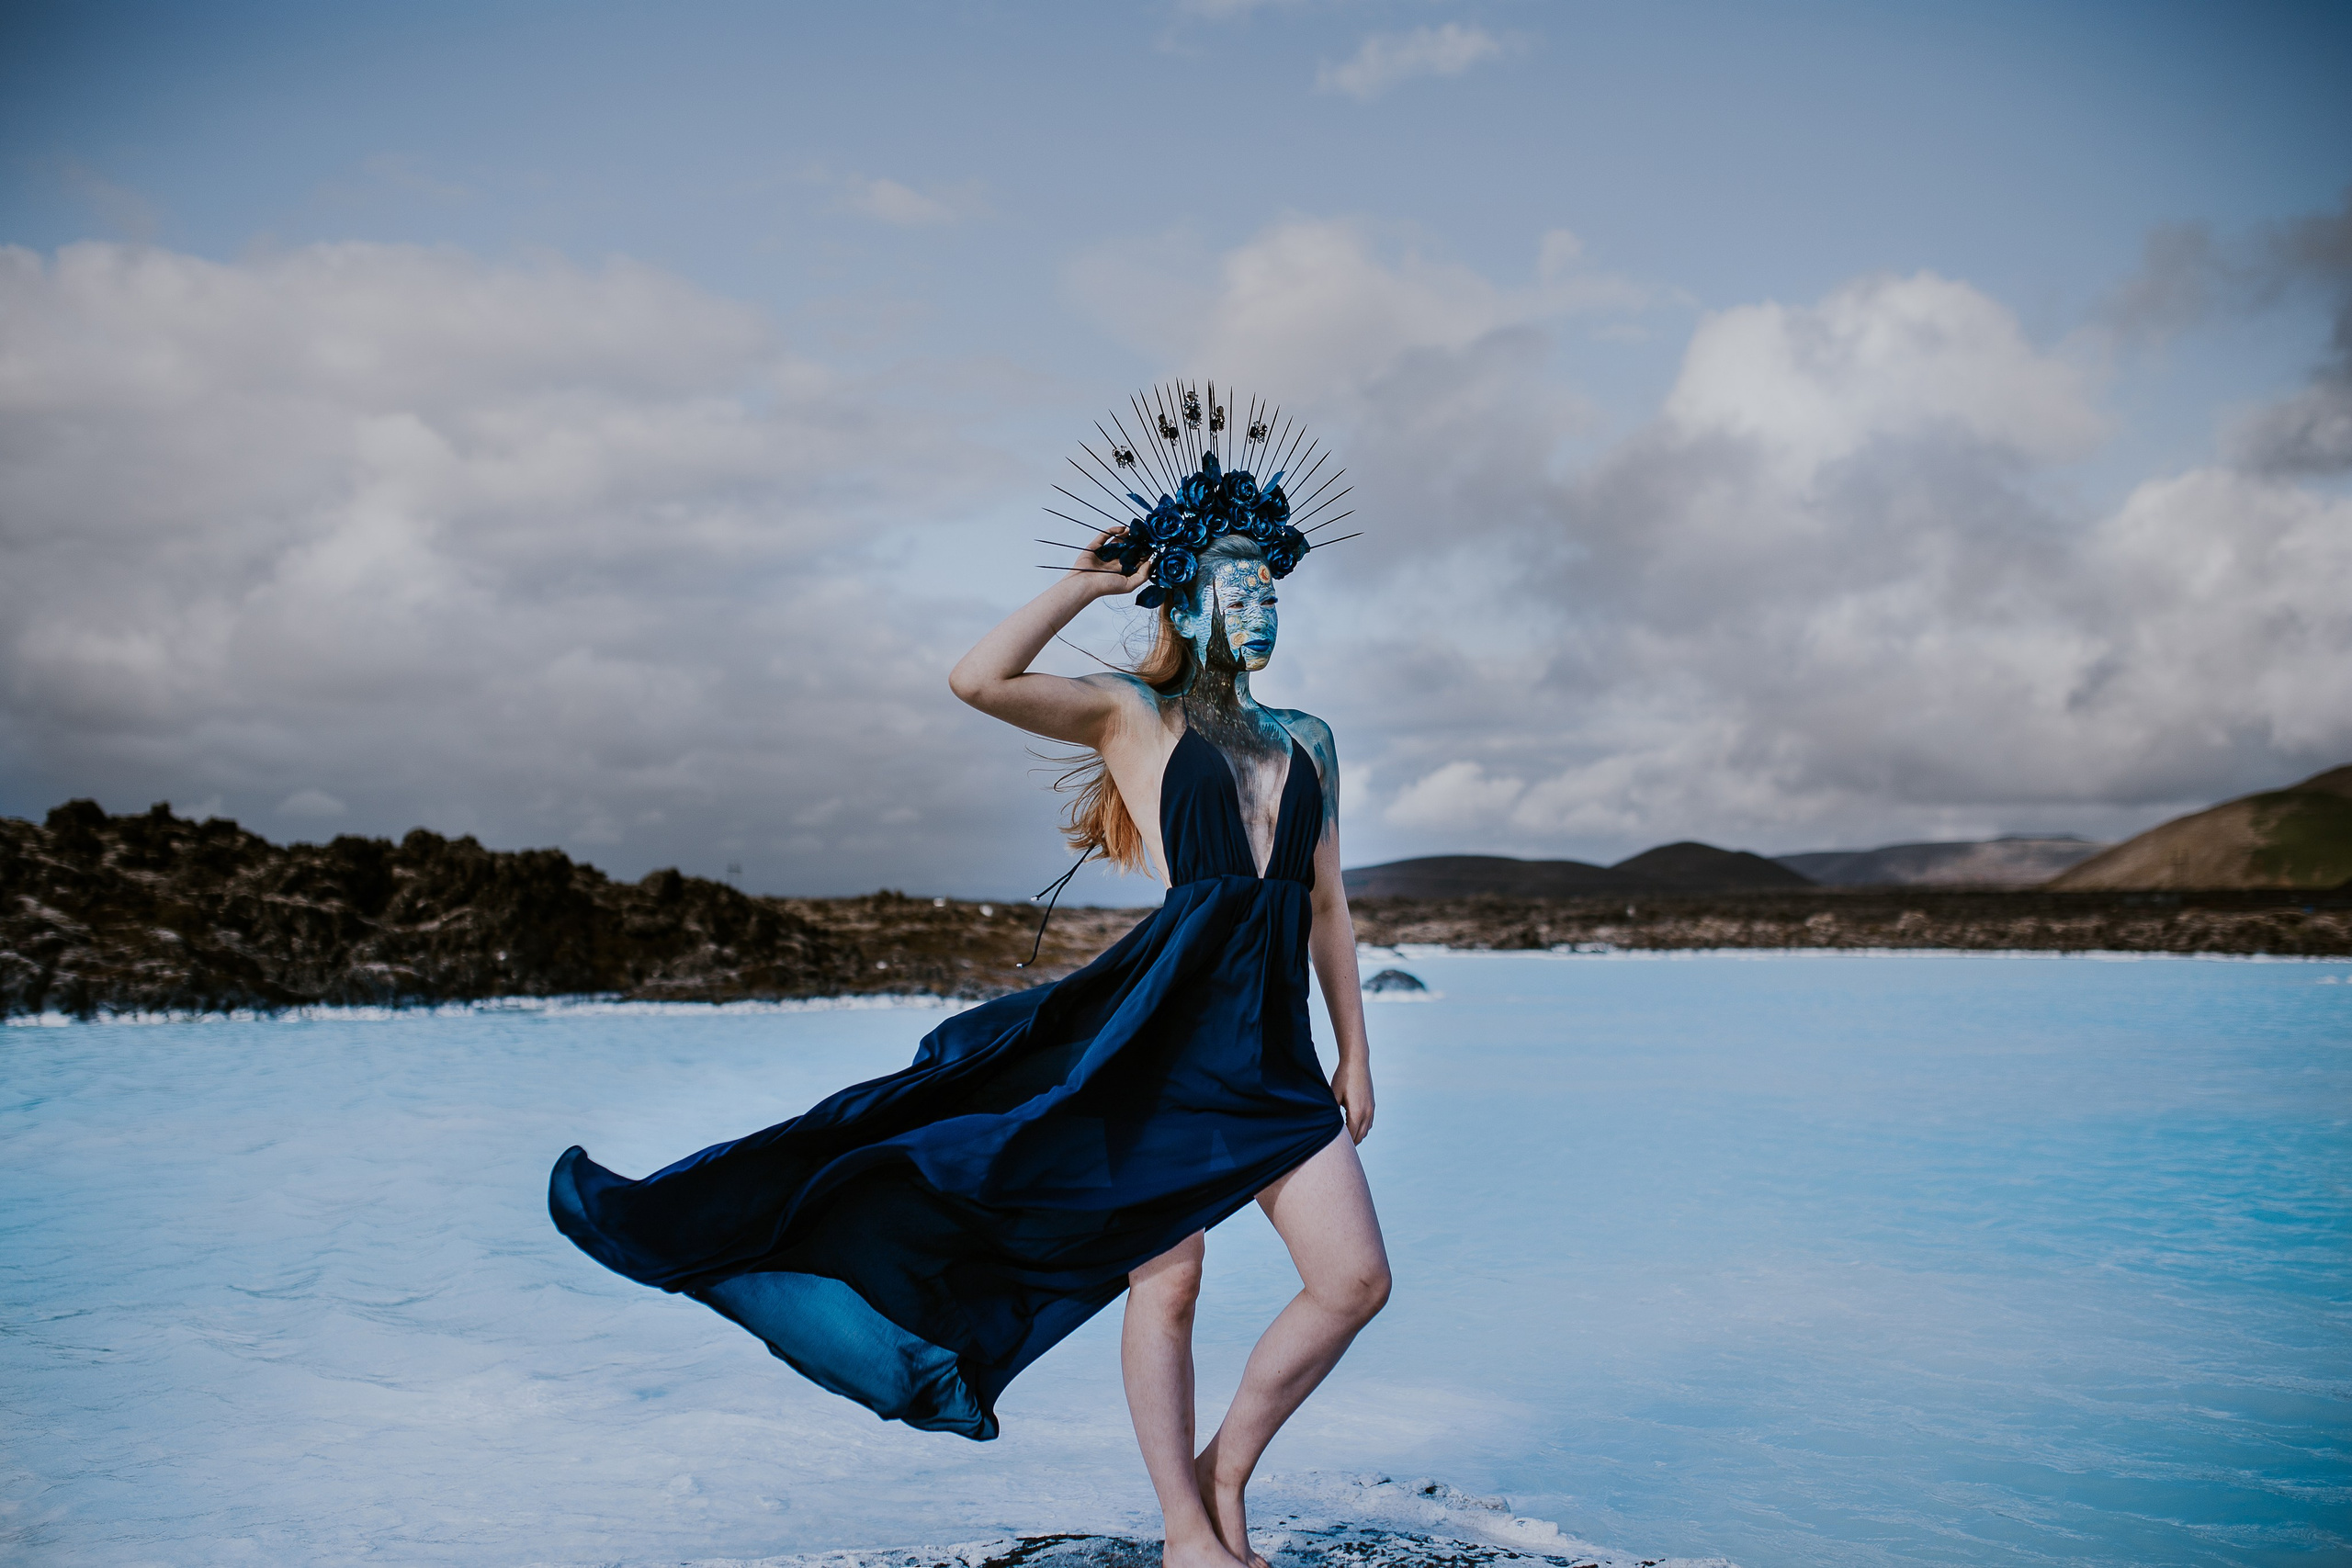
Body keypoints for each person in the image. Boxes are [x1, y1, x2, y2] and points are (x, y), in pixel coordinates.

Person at [549, 389, 1386, 1568]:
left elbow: (1326, 907)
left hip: (1273, 1057)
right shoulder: (1130, 717)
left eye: (1272, 588)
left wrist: (1356, 1050)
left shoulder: (1310, 741)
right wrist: (1089, 585)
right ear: (1189, 598)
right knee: (1170, 1280)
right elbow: (977, 679)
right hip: (1157, 1048)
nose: (1259, 606)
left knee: (1352, 1280)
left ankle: (1224, 1473)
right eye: (1235, 584)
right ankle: (1188, 1533)